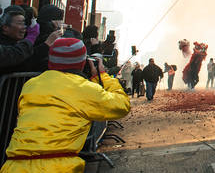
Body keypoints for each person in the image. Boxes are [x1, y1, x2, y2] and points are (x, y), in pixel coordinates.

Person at [1, 38, 130, 172]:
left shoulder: (31, 85)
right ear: (82, 63)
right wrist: (102, 76)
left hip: (13, 165)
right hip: (58, 167)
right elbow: (122, 105)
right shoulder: (84, 89)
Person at [0, 6, 61, 74]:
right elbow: (22, 62)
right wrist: (45, 44)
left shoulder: (18, 41)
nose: (24, 27)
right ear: (5, 27)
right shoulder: (4, 45)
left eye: (25, 23)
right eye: (20, 23)